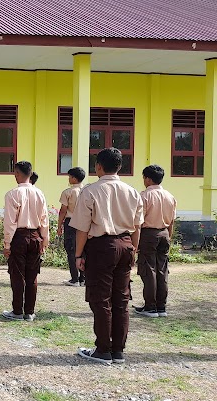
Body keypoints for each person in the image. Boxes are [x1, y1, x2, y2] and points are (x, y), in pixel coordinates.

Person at [70, 148, 143, 365]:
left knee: (100, 298)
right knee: (121, 299)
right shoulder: (132, 192)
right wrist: (134, 251)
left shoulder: (91, 191)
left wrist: (78, 255)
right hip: (126, 244)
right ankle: (118, 350)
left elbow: (82, 229)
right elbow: (137, 227)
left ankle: (103, 349)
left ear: (99, 166)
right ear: (119, 166)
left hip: (102, 246)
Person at [1, 161, 49, 322]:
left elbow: (10, 222)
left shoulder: (12, 194)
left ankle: (17, 310)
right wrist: (44, 240)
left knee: (17, 275)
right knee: (32, 275)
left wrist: (7, 244)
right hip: (35, 236)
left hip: (19, 237)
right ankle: (29, 311)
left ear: (18, 174)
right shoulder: (39, 193)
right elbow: (44, 220)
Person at [134, 164, 176, 318]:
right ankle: (161, 306)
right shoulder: (169, 196)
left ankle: (150, 307)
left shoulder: (144, 196)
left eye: (144, 177)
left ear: (149, 179)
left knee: (148, 269)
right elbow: (172, 221)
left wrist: (135, 242)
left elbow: (138, 221)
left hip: (148, 234)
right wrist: (169, 236)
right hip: (164, 233)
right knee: (162, 270)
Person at [58, 167, 86, 287]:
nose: (69, 179)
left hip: (71, 222)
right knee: (83, 250)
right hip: (84, 223)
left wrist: (59, 225)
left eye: (70, 177)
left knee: (71, 250)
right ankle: (83, 278)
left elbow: (63, 210)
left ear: (74, 178)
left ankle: (74, 278)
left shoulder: (68, 192)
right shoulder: (87, 191)